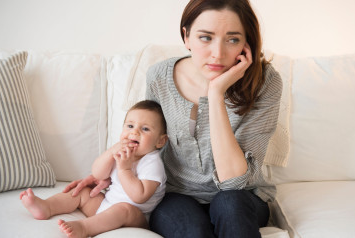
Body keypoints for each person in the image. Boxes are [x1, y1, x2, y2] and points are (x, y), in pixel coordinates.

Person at [64, 0, 282, 237]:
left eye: (232, 39)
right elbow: (147, 141)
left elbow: (233, 182)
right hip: (177, 194)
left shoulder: (265, 82)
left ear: (246, 42)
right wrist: (110, 174)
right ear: (186, 36)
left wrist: (216, 94)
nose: (218, 54)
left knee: (229, 205)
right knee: (191, 230)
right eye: (206, 37)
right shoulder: (160, 77)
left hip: (242, 196)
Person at [20, 100, 168, 238]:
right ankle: (47, 207)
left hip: (133, 218)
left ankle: (84, 227)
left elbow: (139, 196)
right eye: (130, 126)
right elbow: (98, 174)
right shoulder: (119, 151)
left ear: (160, 141)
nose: (134, 132)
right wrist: (110, 153)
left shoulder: (152, 163)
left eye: (145, 129)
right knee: (83, 192)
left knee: (125, 209)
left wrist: (124, 170)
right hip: (105, 207)